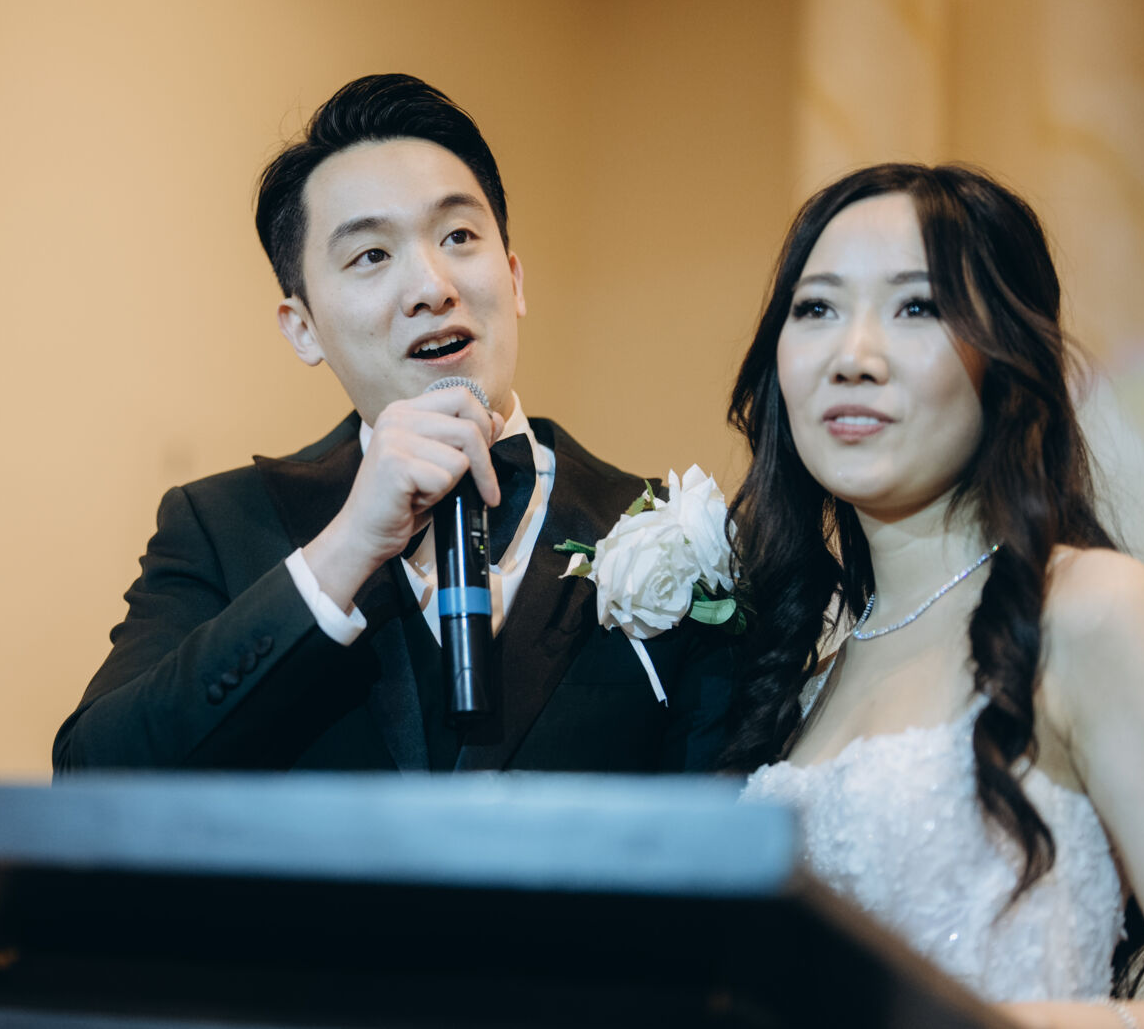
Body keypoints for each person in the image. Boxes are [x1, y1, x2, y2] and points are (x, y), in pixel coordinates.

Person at [54, 73, 735, 773]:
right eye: (371, 255)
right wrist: (347, 548)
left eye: (458, 235)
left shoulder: (672, 530)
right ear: (303, 328)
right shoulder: (220, 526)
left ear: (513, 278)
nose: (431, 288)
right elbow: (92, 774)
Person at [726, 163, 1144, 1026]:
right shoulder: (804, 672)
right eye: (815, 308)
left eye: (917, 307)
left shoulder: (1087, 610)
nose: (851, 357)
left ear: (1004, 355)